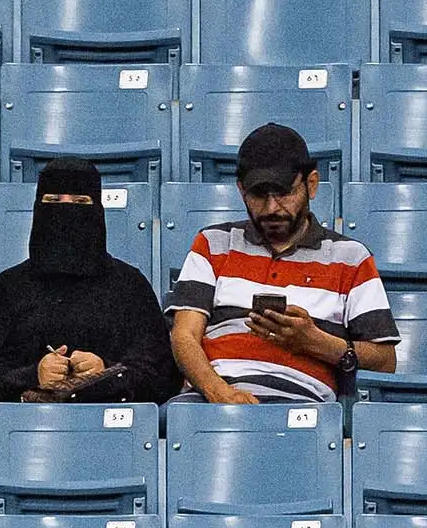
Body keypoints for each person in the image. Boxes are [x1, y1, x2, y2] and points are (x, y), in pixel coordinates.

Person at [167, 123, 399, 404]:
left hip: (301, 407)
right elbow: (184, 335)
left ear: (311, 185)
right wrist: (219, 392)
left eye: (284, 193)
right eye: (258, 195)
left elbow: (386, 360)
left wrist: (316, 342)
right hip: (212, 400)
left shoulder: (351, 257)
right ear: (241, 190)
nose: (271, 208)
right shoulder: (213, 243)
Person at [0, 158, 182, 404]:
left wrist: (107, 373)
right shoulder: (7, 288)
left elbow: (162, 378)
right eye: (53, 201)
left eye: (81, 202)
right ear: (39, 208)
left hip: (112, 430)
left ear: (98, 211)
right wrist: (33, 375)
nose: (66, 211)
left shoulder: (130, 286)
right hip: (27, 430)